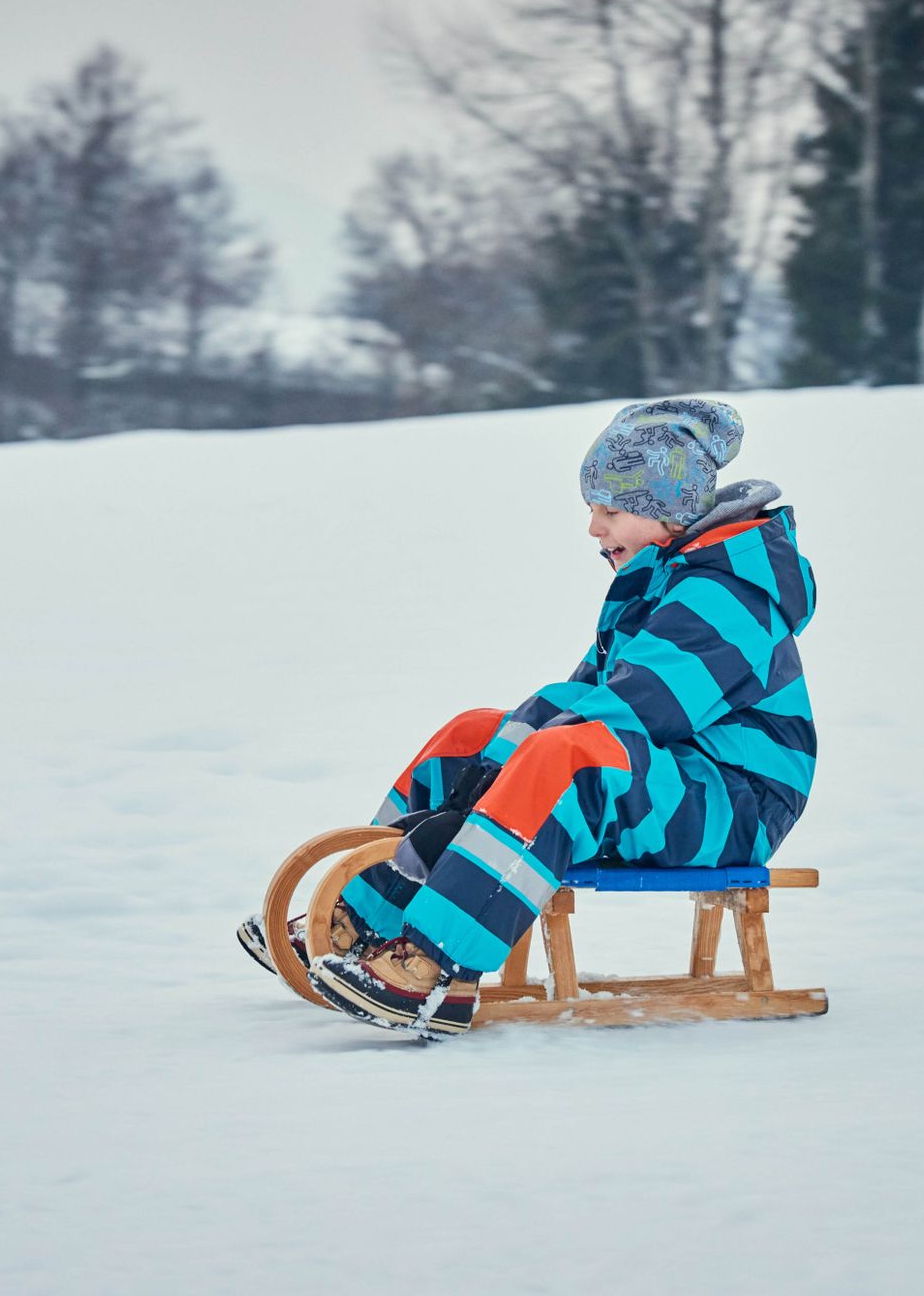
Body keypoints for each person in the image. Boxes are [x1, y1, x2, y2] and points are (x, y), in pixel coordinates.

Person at [239, 398, 818, 1038]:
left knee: (564, 756)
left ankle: (437, 962)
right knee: (472, 734)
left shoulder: (728, 594)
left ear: (667, 513)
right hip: (669, 784)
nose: (594, 529)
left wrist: (476, 802)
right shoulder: (665, 582)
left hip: (732, 804)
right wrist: (477, 779)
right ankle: (363, 915)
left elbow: (639, 705)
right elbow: (583, 701)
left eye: (610, 511)